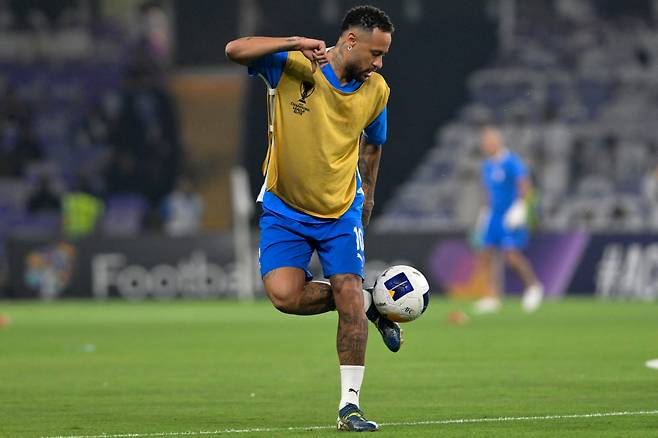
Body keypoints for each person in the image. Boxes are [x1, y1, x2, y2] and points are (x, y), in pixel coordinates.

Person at [225, 5, 397, 432]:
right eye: (375, 53)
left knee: (346, 292)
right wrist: (292, 42)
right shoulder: (295, 66)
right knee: (285, 296)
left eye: (384, 56)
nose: (379, 64)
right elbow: (234, 49)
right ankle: (372, 301)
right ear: (351, 41)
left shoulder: (377, 91)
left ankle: (349, 407)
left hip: (341, 208)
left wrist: (369, 198)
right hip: (285, 206)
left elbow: (373, 145)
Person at [474, 126, 544, 314]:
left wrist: (521, 207)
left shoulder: (511, 162)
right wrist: (485, 213)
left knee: (511, 256)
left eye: (488, 141)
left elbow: (525, 185)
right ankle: (491, 296)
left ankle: (534, 286)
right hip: (494, 215)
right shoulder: (487, 165)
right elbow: (489, 192)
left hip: (509, 215)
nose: (485, 145)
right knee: (486, 255)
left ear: (497, 142)